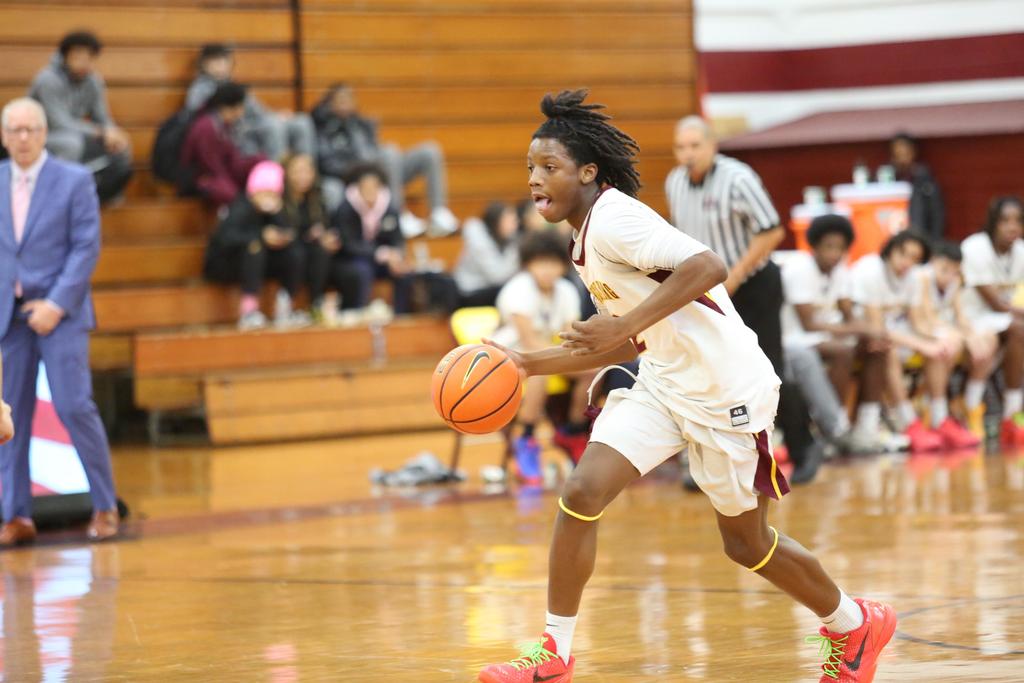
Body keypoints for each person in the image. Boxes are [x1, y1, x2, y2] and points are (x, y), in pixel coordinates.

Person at [477, 90, 896, 683]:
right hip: (664, 381)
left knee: (747, 545)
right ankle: (554, 654)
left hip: (727, 391)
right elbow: (631, 339)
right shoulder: (584, 238)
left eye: (549, 167)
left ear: (588, 172)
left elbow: (708, 266)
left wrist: (623, 322)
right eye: (530, 168)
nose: (534, 179)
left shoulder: (617, 219)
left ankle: (854, 622)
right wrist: (525, 363)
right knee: (581, 493)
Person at [666, 115, 823, 484]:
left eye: (695, 146)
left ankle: (804, 446)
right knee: (711, 374)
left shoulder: (738, 178)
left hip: (753, 284)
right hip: (709, 289)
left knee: (768, 372)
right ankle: (717, 461)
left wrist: (733, 276)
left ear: (712, 146)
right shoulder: (675, 182)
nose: (688, 154)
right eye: (681, 147)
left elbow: (771, 232)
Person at [0, 98, 119, 545]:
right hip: (9, 317)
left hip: (61, 314)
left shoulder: (74, 180)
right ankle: (16, 515)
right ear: (4, 136)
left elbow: (86, 247)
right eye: (14, 130)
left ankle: (105, 505)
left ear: (44, 132)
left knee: (74, 406)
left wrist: (55, 304)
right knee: (8, 419)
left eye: (30, 129)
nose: (23, 138)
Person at [780, 214, 902, 453]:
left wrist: (871, 333)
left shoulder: (840, 271)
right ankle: (834, 428)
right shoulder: (799, 268)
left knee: (876, 347)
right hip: (793, 339)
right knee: (843, 351)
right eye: (829, 247)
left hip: (826, 337)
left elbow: (848, 315)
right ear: (814, 246)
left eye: (840, 248)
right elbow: (809, 325)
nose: (834, 253)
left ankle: (867, 426)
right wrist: (861, 329)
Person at [491, 231, 594, 478]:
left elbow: (569, 336)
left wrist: (574, 356)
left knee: (593, 371)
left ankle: (572, 431)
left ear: (562, 265)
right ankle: (525, 438)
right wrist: (558, 358)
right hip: (511, 356)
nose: (546, 270)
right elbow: (529, 342)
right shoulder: (518, 289)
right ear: (528, 264)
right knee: (539, 371)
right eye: (540, 263)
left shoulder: (567, 290)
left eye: (552, 263)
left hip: (548, 352)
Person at [849, 231, 952, 451]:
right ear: (891, 249)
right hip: (862, 336)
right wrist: (922, 345)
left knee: (938, 349)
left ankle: (940, 419)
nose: (907, 262)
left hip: (895, 334)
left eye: (915, 258)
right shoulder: (870, 270)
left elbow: (917, 323)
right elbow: (878, 329)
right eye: (903, 254)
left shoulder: (913, 277)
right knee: (890, 350)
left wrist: (939, 337)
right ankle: (908, 422)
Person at [311, 83, 457, 237]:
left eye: (349, 99)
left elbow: (373, 149)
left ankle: (438, 212)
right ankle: (397, 213)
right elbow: (328, 162)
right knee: (389, 152)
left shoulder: (362, 123)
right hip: (353, 175)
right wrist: (361, 169)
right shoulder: (324, 127)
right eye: (341, 100)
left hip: (379, 171)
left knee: (429, 151)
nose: (345, 104)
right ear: (330, 103)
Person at [203, 160, 310, 330]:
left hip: (261, 264)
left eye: (273, 193)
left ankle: (285, 305)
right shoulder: (241, 207)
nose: (268, 198)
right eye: (264, 192)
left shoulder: (275, 209)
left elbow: (290, 234)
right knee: (255, 246)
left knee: (294, 252)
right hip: (228, 264)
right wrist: (261, 236)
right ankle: (249, 310)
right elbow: (225, 238)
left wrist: (278, 217)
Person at [27, 31, 132, 204]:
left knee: (121, 143)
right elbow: (58, 122)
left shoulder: (93, 81)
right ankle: (62, 199)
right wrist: (99, 132)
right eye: (78, 57)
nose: (83, 63)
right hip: (41, 135)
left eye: (88, 58)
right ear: (65, 57)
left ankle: (108, 198)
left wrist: (112, 132)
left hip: (76, 134)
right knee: (70, 144)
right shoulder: (47, 80)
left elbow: (102, 117)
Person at [908, 241, 993, 444]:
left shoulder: (954, 280)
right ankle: (937, 411)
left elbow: (960, 316)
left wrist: (972, 335)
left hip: (941, 331)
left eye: (954, 271)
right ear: (933, 262)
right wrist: (958, 335)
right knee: (947, 345)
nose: (949, 276)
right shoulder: (921, 278)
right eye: (944, 269)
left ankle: (969, 406)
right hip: (916, 331)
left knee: (986, 341)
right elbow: (925, 320)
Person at [959, 196, 1024, 445]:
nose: (1012, 227)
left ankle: (1011, 414)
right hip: (970, 320)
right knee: (1017, 330)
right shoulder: (975, 247)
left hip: (1005, 320)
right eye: (1005, 220)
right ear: (992, 222)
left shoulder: (1021, 251)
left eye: (1018, 221)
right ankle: (995, 411)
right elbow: (995, 303)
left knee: (1017, 330)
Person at [185, 44, 316, 162]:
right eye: (215, 61)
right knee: (272, 126)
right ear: (204, 64)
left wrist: (276, 116)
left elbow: (258, 111)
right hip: (238, 132)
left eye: (224, 61)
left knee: (301, 122)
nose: (221, 65)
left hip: (254, 124)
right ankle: (277, 174)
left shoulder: (234, 85)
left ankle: (308, 171)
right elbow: (205, 119)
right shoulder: (199, 90)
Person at [321, 163, 413, 314]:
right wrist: (381, 254)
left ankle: (400, 316)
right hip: (349, 260)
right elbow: (348, 244)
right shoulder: (345, 208)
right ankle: (357, 314)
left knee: (404, 272)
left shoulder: (389, 208)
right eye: (366, 187)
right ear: (358, 187)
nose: (370, 191)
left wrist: (396, 256)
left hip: (379, 261)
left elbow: (397, 238)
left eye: (374, 187)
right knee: (361, 271)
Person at [180, 82, 265, 209]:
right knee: (229, 192)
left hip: (221, 173)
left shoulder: (225, 125)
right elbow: (211, 166)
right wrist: (235, 187)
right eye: (241, 106)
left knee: (259, 162)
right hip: (201, 177)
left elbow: (232, 159)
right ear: (231, 107)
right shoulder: (206, 127)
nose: (243, 112)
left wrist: (256, 162)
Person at [453, 201, 521, 307]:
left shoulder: (506, 239)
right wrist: (515, 250)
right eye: (510, 221)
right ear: (496, 221)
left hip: (489, 289)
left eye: (515, 220)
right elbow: (497, 276)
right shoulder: (478, 238)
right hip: (470, 291)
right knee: (514, 292)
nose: (514, 225)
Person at [890, 132, 945, 240]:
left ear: (913, 152)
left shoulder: (924, 178)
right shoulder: (888, 179)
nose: (902, 159)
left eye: (905, 154)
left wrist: (935, 240)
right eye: (898, 154)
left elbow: (937, 212)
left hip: (920, 236)